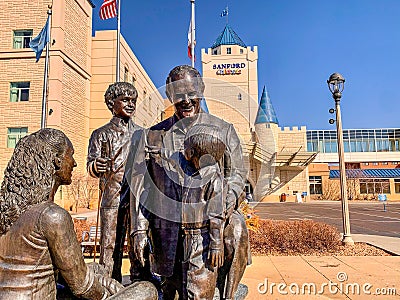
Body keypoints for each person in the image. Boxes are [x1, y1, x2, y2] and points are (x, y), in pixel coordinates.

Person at [126, 65, 250, 299]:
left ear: (201, 90)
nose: (185, 100)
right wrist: (138, 229)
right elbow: (139, 186)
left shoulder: (223, 130)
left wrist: (217, 208)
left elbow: (237, 178)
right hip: (166, 219)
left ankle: (225, 293)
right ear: (169, 96)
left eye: (191, 93)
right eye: (178, 94)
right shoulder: (151, 135)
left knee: (237, 229)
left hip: (210, 217)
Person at [0, 128, 123, 299]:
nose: (74, 163)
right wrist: (111, 293)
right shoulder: (51, 216)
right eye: (70, 155)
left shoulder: (6, 209)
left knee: (97, 269)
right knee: (147, 289)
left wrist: (100, 278)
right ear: (57, 161)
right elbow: (84, 288)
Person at [87, 82, 142, 280]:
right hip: (112, 197)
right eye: (125, 100)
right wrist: (96, 166)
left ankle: (140, 276)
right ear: (112, 103)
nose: (130, 104)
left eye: (133, 101)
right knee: (110, 241)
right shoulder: (101, 134)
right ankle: (110, 278)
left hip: (137, 198)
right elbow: (91, 163)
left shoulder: (141, 134)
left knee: (137, 236)